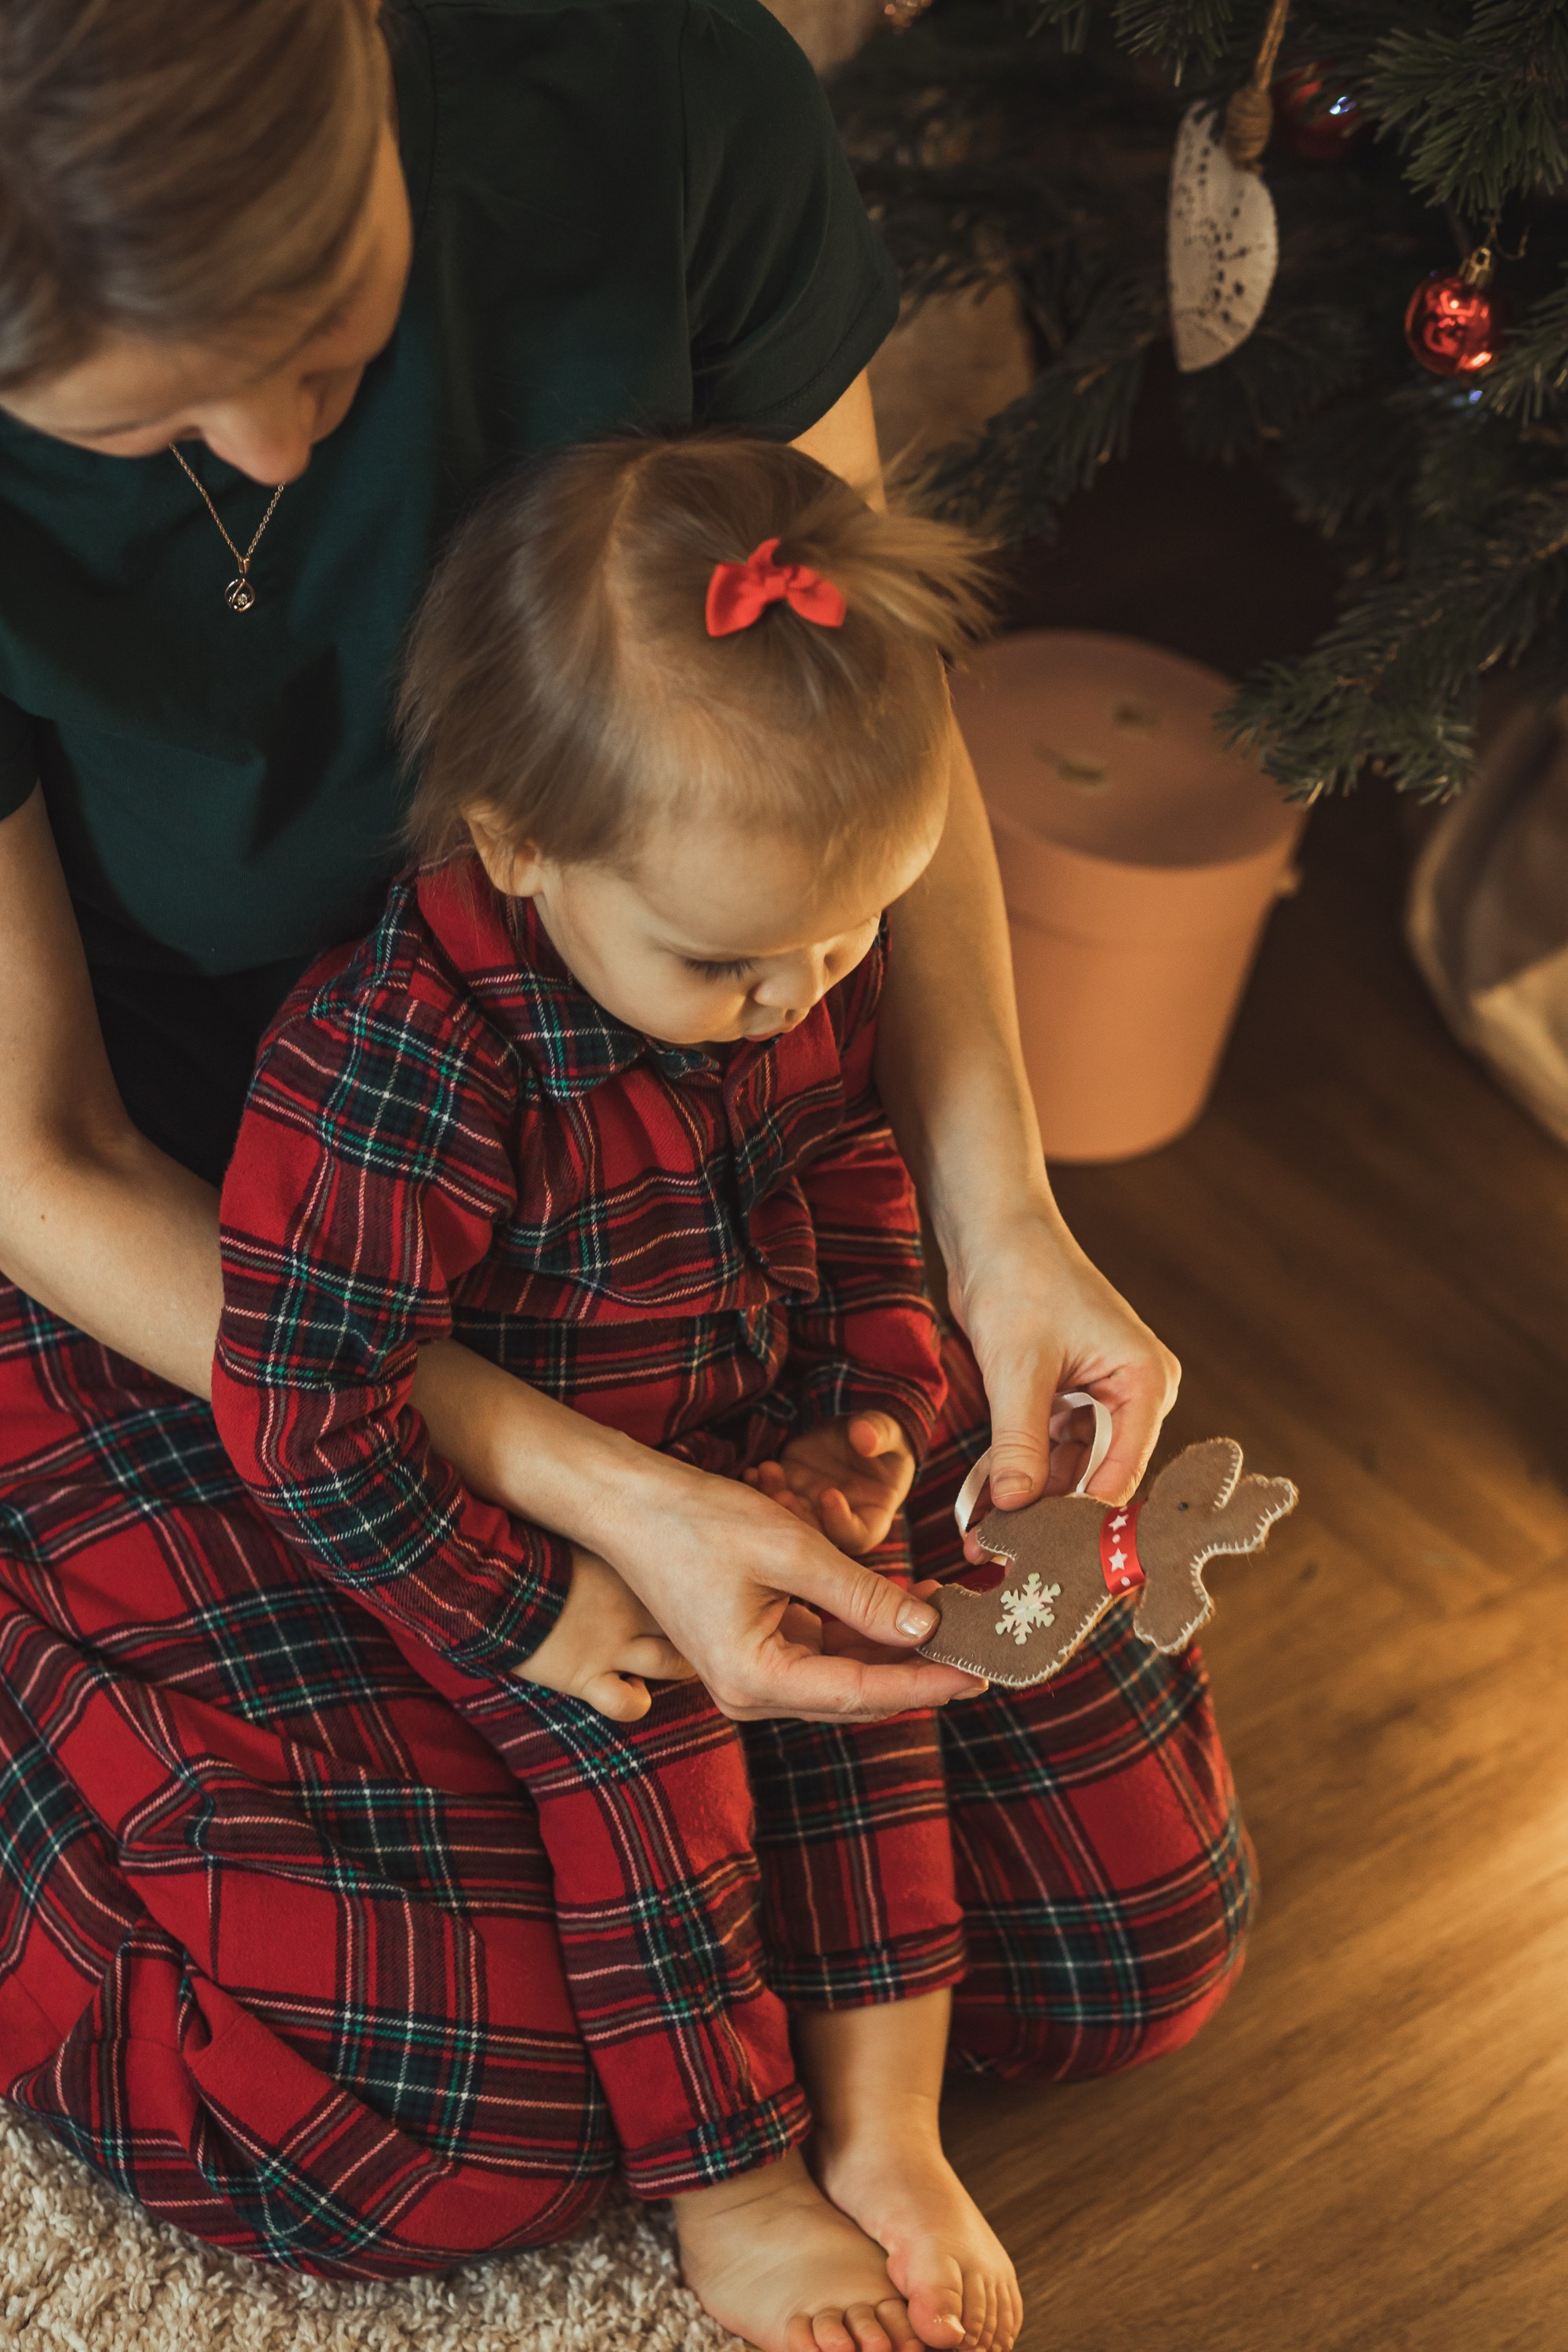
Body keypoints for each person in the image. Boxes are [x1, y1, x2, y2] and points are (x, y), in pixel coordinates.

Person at [0, 0, 1248, 2337]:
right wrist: (588, 1518)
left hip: (670, 1132)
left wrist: (991, 1236)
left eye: (327, 317)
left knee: (1123, 1927)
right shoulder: (381, 1060)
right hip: (195, 1236)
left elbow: (862, 764)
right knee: (426, 2109)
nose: (281, 440)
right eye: (156, 411)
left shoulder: (661, 99)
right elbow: (49, 1159)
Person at [214, 431, 1025, 2352]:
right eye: (734, 962)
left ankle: (889, 2129)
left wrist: (876, 1410)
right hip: (506, 1531)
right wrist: (538, 1607)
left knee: (883, 1691)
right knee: (650, 1768)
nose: (800, 991)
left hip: (744, 1448)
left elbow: (849, 1175)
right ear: (513, 841)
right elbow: (303, 1405)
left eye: (846, 937)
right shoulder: (400, 1063)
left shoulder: (787, 971)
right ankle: (731, 2176)